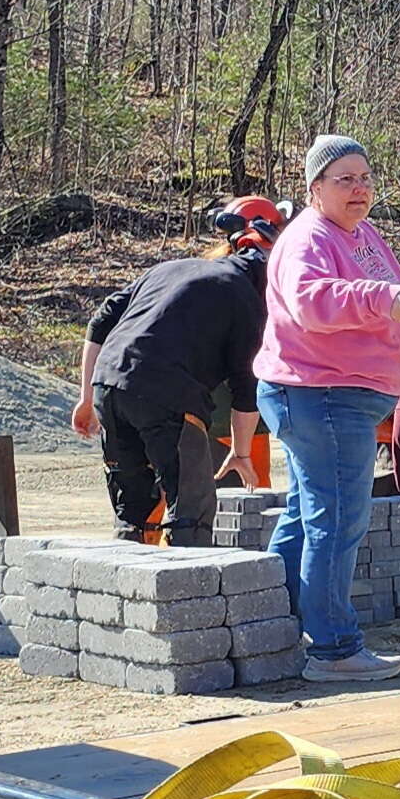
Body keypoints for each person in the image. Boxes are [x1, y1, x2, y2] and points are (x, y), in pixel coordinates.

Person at [255, 137, 400, 684]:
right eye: (344, 179)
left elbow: (393, 297)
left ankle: (278, 627)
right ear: (314, 189)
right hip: (321, 395)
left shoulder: (363, 234)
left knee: (310, 516)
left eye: (366, 178)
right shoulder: (308, 238)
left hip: (335, 397)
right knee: (338, 520)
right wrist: (386, 300)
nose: (360, 188)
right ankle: (332, 649)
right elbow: (314, 303)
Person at [73, 198, 276, 548]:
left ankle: (126, 591)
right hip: (167, 395)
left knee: (134, 512)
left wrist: (87, 398)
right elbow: (246, 387)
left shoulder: (172, 268)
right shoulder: (247, 298)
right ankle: (188, 597)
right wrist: (241, 453)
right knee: (191, 511)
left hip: (108, 384)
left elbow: (102, 318)